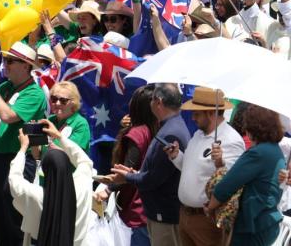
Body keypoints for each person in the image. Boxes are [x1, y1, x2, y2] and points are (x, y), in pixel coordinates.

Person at [0, 42, 47, 246]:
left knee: (14, 220)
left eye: (10, 61)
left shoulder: (34, 93)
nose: (4, 65)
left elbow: (7, 116)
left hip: (18, 160)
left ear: (26, 66)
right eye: (5, 60)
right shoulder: (5, 87)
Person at [111, 83, 191, 246]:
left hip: (164, 216)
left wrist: (127, 176)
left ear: (159, 102)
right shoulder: (171, 126)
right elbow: (157, 170)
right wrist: (134, 173)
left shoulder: (170, 132)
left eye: (152, 100)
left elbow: (153, 179)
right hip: (162, 213)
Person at [166, 87, 245, 246]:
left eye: (197, 113)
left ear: (211, 113)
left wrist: (220, 163)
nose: (193, 118)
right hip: (186, 216)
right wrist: (176, 156)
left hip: (207, 221)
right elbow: (190, 169)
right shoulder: (198, 134)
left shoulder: (231, 140)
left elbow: (230, 184)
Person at [205, 105, 286, 246]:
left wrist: (210, 207)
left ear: (253, 128)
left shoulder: (258, 152)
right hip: (267, 222)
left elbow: (226, 186)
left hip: (252, 226)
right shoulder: (275, 150)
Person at [8, 125, 93, 245]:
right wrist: (59, 136)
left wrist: (23, 148)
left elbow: (14, 178)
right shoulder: (82, 186)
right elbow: (84, 160)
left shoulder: (34, 194)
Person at [96, 85, 158, 246]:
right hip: (147, 205)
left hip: (134, 209)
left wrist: (108, 190)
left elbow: (126, 171)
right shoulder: (152, 129)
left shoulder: (137, 134)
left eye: (133, 99)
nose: (129, 102)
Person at [40, 81, 90, 156]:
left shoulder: (80, 123)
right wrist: (33, 140)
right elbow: (37, 155)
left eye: (63, 100)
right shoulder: (50, 120)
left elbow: (76, 155)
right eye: (54, 99)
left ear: (73, 102)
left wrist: (56, 136)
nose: (57, 103)